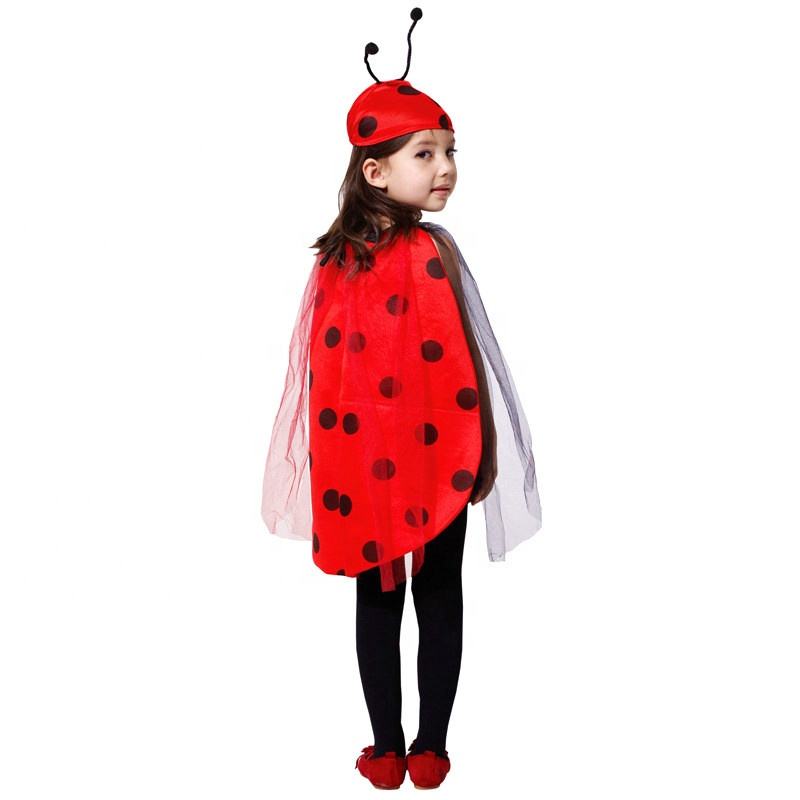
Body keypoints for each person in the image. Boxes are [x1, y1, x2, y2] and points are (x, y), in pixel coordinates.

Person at [260, 7, 542, 790]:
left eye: (450, 151)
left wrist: (482, 448)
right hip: (369, 464)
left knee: (431, 593)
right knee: (385, 598)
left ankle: (424, 744)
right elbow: (324, 378)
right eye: (426, 153)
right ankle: (392, 744)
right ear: (376, 171)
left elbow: (465, 363)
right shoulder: (341, 262)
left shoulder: (430, 251)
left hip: (436, 458)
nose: (445, 167)